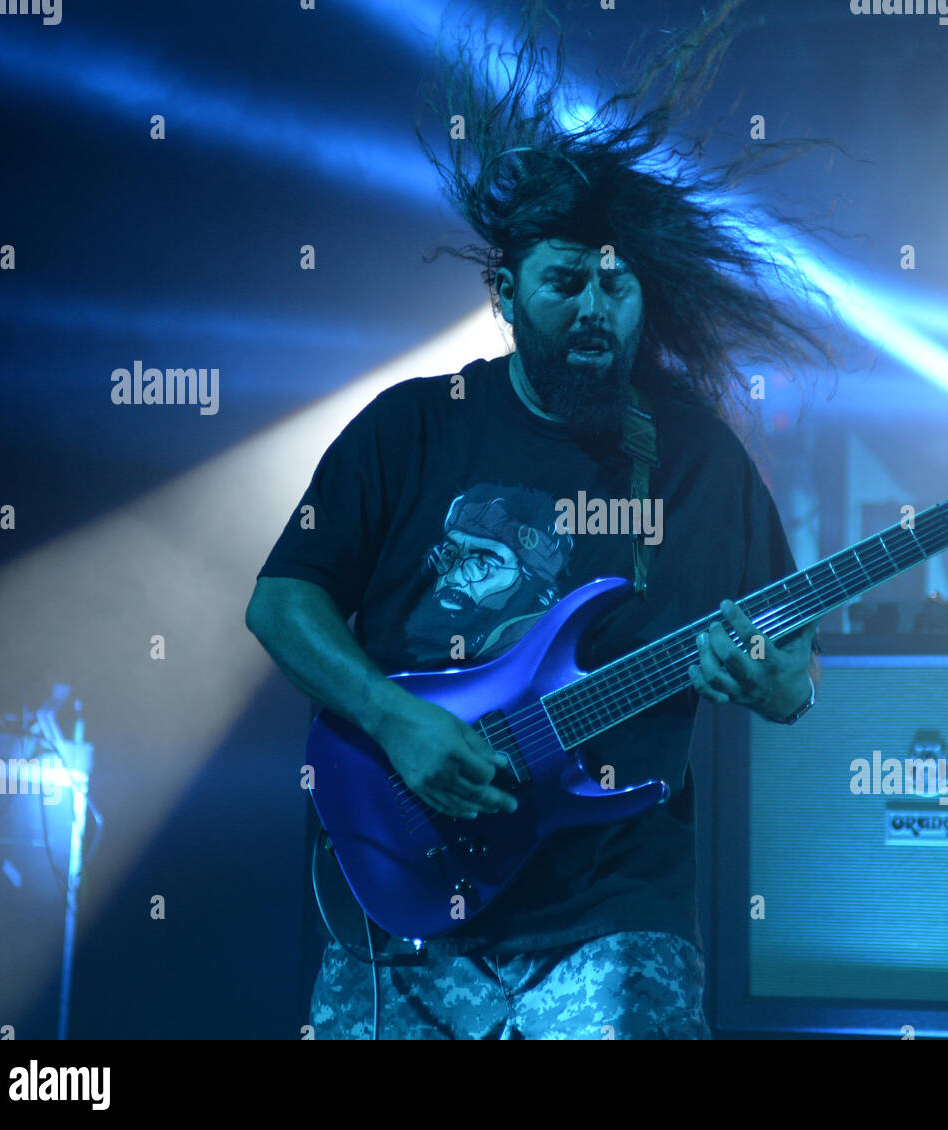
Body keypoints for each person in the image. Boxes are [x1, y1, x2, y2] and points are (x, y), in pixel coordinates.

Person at [245, 0, 843, 1039]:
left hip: (612, 912)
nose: (594, 310)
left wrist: (776, 680)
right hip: (400, 899)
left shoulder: (695, 455)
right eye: (564, 282)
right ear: (504, 289)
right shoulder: (414, 427)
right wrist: (394, 716)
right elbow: (281, 600)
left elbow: (790, 664)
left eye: (618, 289)